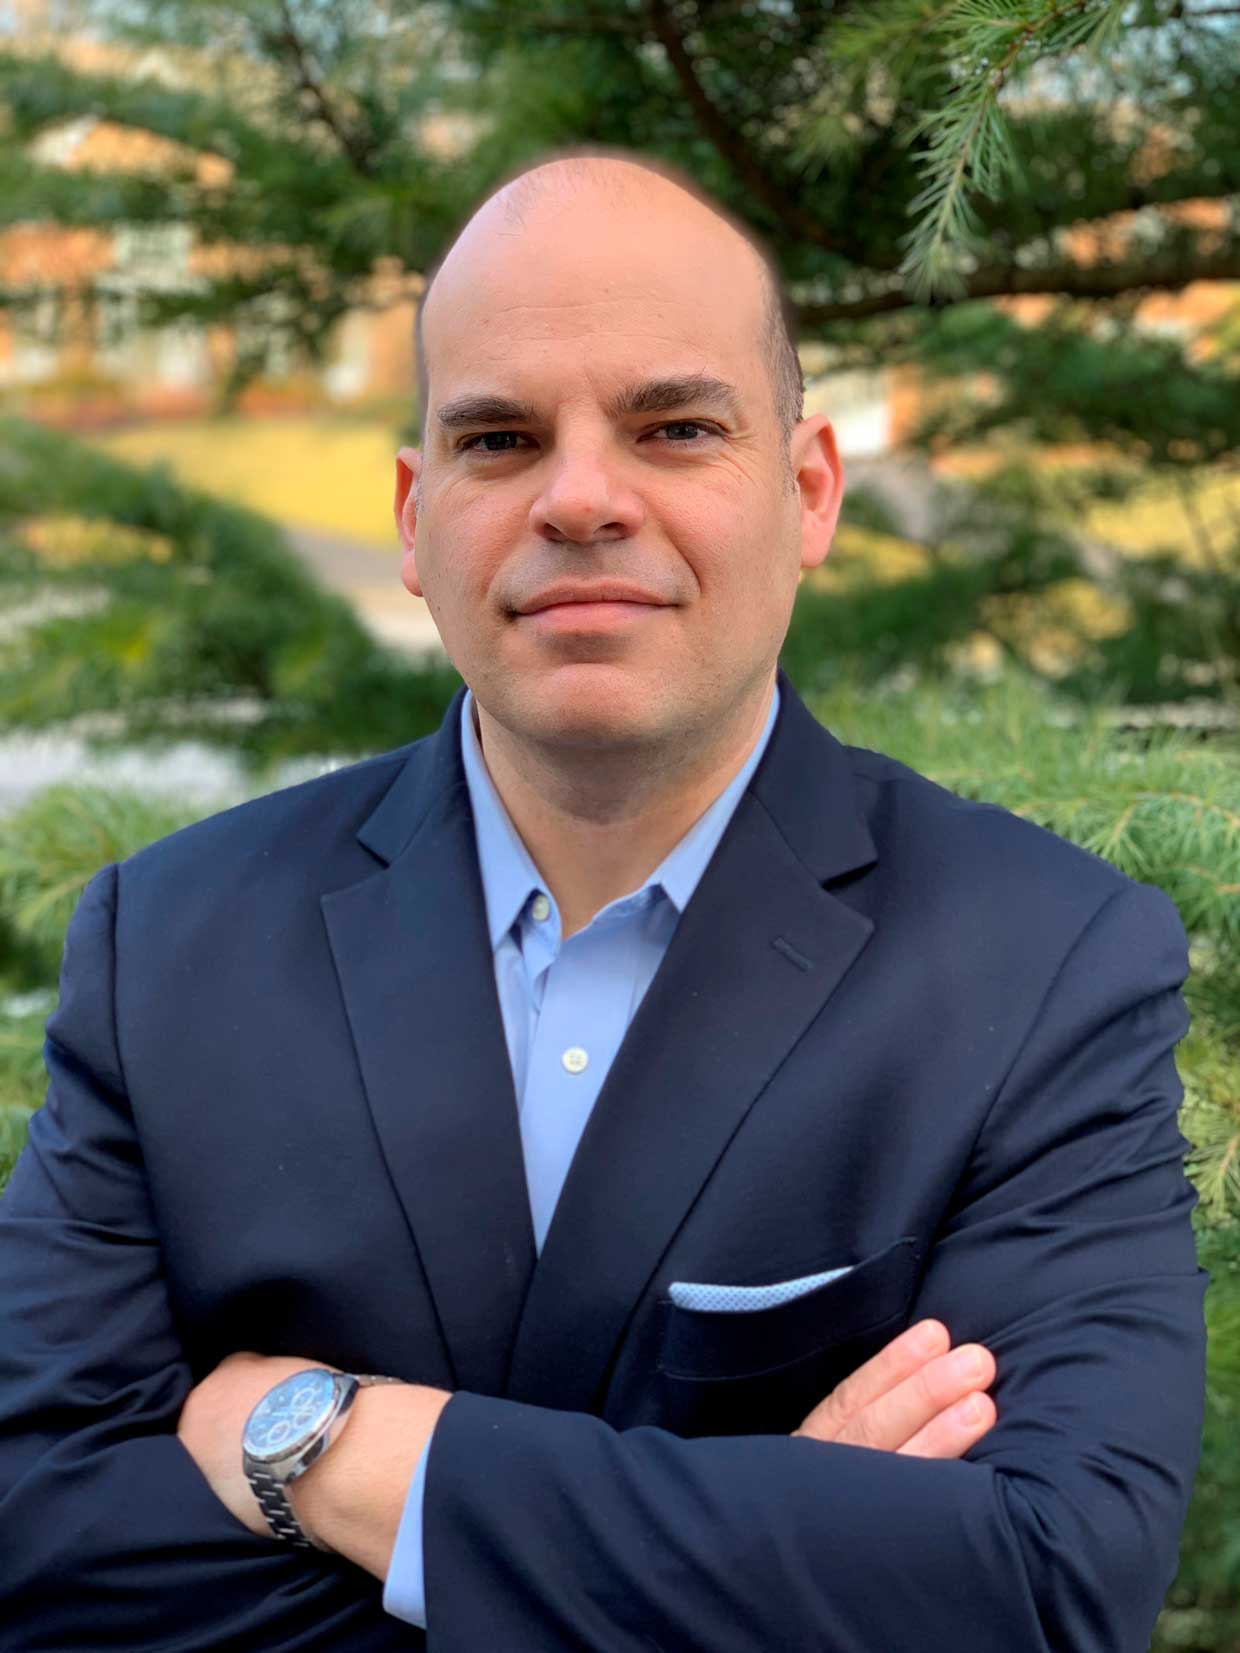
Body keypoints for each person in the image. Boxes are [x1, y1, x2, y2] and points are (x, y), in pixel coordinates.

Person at [0, 148, 1206, 1653]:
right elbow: (35, 1543)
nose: (580, 497)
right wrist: (775, 1552)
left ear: (807, 491)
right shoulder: (170, 948)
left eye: (675, 427)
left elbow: (1046, 1583)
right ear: (415, 516)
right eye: (500, 438)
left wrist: (341, 1451)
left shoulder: (1045, 963)